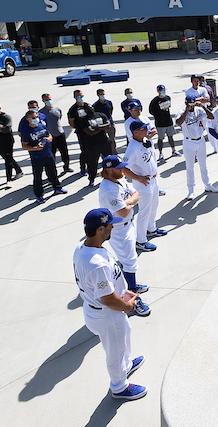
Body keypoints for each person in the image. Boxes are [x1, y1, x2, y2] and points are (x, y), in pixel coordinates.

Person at [73, 208, 147, 401]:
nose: (113, 226)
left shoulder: (83, 247)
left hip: (104, 309)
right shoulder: (95, 264)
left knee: (125, 335)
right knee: (115, 350)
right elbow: (108, 299)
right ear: (100, 229)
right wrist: (128, 305)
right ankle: (119, 386)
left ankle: (126, 365)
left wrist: (123, 292)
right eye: (109, 224)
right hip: (107, 314)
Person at [98, 155, 152, 311]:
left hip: (128, 225)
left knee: (129, 260)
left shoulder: (119, 179)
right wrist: (128, 202)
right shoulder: (108, 189)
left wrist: (128, 201)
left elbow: (136, 194)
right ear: (108, 169)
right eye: (119, 167)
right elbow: (122, 211)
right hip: (119, 230)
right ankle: (132, 299)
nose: (123, 170)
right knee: (129, 262)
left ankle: (132, 285)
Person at [123, 122, 166, 250]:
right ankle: (140, 240)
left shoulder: (145, 140)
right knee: (144, 211)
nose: (147, 129)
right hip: (143, 184)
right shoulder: (132, 148)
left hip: (153, 180)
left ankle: (151, 228)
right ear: (135, 132)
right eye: (143, 128)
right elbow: (124, 168)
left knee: (154, 206)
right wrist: (138, 178)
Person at [20, 110, 66, 203]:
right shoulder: (26, 131)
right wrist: (35, 148)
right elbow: (24, 146)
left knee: (53, 172)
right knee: (38, 177)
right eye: (33, 118)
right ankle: (39, 195)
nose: (36, 119)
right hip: (37, 157)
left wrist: (49, 138)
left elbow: (49, 135)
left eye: (36, 117)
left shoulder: (42, 126)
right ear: (28, 119)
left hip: (48, 154)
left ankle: (57, 188)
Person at [176, 96, 216, 199]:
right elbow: (178, 122)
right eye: (188, 104)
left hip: (200, 140)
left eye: (192, 103)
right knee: (190, 167)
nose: (190, 106)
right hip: (189, 142)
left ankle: (207, 185)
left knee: (203, 165)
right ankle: (191, 190)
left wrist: (203, 106)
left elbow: (212, 117)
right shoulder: (181, 112)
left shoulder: (200, 110)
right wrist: (186, 111)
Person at [39, 93, 72, 174]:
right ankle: (52, 171)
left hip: (60, 134)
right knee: (52, 154)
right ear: (43, 100)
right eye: (46, 100)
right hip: (50, 136)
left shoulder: (57, 109)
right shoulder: (41, 113)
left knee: (64, 152)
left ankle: (66, 166)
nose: (49, 101)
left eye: (49, 99)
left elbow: (59, 118)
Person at [82, 107, 115, 188]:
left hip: (104, 141)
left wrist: (97, 127)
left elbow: (109, 125)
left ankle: (110, 176)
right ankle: (91, 179)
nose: (91, 110)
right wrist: (102, 128)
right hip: (92, 144)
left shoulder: (101, 115)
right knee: (93, 162)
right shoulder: (84, 120)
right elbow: (90, 132)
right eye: (88, 109)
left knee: (109, 160)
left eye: (91, 108)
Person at [67, 90, 95, 174]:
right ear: (75, 97)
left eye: (81, 96)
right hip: (81, 132)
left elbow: (93, 115)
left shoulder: (87, 105)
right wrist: (79, 127)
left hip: (91, 131)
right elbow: (71, 122)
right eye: (78, 96)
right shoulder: (73, 109)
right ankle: (83, 168)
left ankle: (91, 165)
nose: (80, 98)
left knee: (92, 149)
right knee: (84, 150)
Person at [149, 84, 180, 161]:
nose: (163, 92)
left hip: (168, 121)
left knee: (171, 137)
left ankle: (173, 150)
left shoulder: (168, 98)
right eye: (162, 91)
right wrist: (158, 115)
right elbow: (151, 111)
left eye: (164, 91)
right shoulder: (155, 101)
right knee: (160, 139)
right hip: (160, 123)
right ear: (158, 91)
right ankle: (161, 153)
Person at [93, 88, 117, 154]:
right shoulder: (95, 105)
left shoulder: (109, 102)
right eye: (101, 94)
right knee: (103, 140)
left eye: (103, 94)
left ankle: (114, 152)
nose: (102, 95)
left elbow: (111, 110)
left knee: (112, 139)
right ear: (98, 95)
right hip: (102, 125)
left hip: (110, 123)